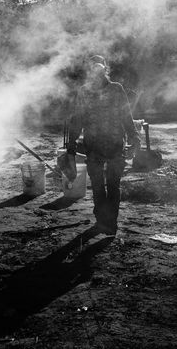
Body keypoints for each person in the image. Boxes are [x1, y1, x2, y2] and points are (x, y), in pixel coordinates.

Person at [67, 56, 140, 235]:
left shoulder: (116, 89)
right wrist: (71, 143)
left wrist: (134, 137)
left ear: (104, 70)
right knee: (102, 186)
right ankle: (103, 221)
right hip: (95, 147)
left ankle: (108, 223)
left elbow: (126, 115)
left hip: (112, 146)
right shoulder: (85, 92)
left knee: (110, 186)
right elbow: (77, 120)